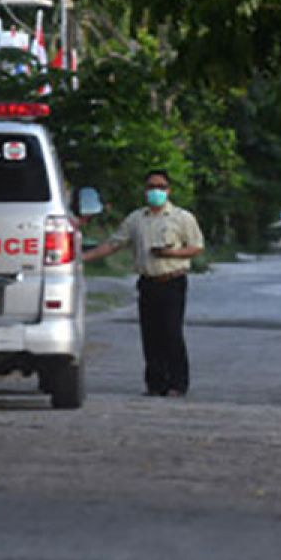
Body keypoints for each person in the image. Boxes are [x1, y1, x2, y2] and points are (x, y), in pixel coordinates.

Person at [83, 169, 204, 397]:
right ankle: (155, 383)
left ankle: (178, 383)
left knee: (171, 332)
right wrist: (83, 258)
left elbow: (196, 246)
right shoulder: (137, 219)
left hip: (172, 280)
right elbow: (114, 244)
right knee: (150, 334)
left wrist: (172, 254)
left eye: (160, 187)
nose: (155, 191)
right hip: (148, 282)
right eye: (151, 187)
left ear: (169, 190)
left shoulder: (182, 218)